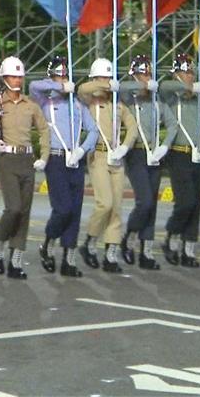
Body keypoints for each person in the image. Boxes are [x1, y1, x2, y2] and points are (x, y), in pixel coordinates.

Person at [0, 56, 50, 279]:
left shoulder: (30, 105)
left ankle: (16, 261)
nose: (17, 80)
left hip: (27, 160)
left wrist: (44, 156)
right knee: (13, 208)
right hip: (7, 159)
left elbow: (44, 130)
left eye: (20, 76)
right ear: (4, 78)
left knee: (24, 213)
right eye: (13, 76)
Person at [31, 55, 99, 278]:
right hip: (56, 158)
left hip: (74, 158)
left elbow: (93, 130)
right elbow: (33, 85)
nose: (62, 79)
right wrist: (58, 86)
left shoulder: (77, 104)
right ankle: (49, 242)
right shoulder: (46, 102)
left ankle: (69, 258)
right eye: (58, 76)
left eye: (65, 75)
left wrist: (82, 150)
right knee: (63, 208)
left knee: (76, 210)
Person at [76, 58, 137, 273]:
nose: (107, 81)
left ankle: (111, 252)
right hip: (98, 155)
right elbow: (83, 87)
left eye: (109, 77)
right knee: (105, 204)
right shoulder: (89, 100)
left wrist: (125, 147)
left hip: (116, 157)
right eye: (103, 77)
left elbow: (132, 127)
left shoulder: (118, 104)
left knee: (117, 207)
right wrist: (104, 85)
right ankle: (90, 241)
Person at [159, 53, 200, 268]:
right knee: (185, 202)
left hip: (197, 154)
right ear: (176, 74)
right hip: (178, 154)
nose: (189, 76)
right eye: (184, 72)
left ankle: (188, 247)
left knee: (196, 203)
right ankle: (172, 236)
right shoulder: (171, 97)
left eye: (191, 72)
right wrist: (188, 88)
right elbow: (164, 86)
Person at [118, 55, 172, 270]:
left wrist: (164, 146)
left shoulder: (156, 101)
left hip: (154, 154)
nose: (145, 78)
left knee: (153, 205)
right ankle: (129, 236)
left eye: (148, 74)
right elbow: (122, 86)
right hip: (136, 153)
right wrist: (139, 84)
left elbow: (172, 124)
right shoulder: (128, 98)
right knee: (145, 201)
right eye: (141, 74)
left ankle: (146, 250)